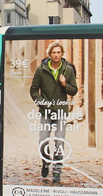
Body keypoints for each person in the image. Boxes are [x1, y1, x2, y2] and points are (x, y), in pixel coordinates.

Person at [29, 42, 78, 184]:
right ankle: (45, 161)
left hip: (61, 111)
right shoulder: (41, 70)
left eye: (59, 52)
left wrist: (64, 84)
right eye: (54, 52)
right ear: (50, 54)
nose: (56, 55)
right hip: (46, 111)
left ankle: (57, 171)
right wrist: (42, 102)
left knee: (59, 141)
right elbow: (33, 90)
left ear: (62, 54)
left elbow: (74, 90)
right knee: (43, 139)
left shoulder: (68, 70)